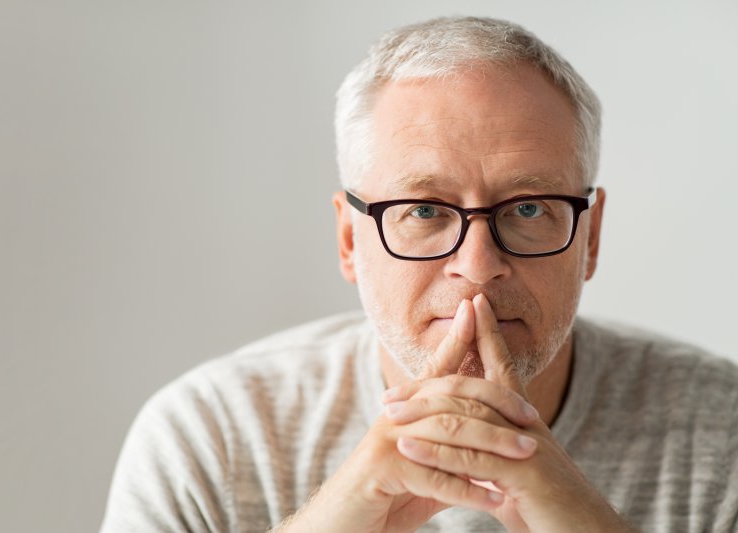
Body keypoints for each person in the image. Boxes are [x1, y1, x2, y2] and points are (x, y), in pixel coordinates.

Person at [100, 16, 738, 532]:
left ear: (590, 237)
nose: (479, 266)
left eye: (527, 208)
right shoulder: (209, 435)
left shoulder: (723, 432)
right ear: (351, 240)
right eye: (424, 210)